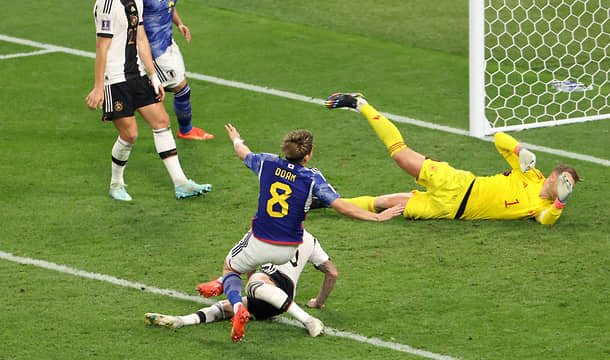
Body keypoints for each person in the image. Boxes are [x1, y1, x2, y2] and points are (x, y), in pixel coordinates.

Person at [213, 123, 403, 342]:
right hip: (288, 249)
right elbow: (342, 206)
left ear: (285, 149)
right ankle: (256, 294)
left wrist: (236, 139)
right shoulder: (312, 178)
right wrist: (377, 217)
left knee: (230, 268)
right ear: (308, 155)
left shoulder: (267, 162)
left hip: (260, 241)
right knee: (252, 267)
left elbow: (243, 153)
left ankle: (238, 307)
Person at [322, 93, 580, 225]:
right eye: (564, 182)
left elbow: (546, 221)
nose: (564, 188)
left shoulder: (543, 208)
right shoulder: (530, 172)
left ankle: (321, 202)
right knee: (400, 155)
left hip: (448, 211)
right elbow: (499, 137)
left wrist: (561, 203)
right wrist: (519, 150)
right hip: (457, 183)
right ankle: (360, 103)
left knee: (384, 203)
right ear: (553, 177)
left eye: (567, 187)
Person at [85, 0, 211, 201]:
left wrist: (153, 76)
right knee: (129, 134)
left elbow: (141, 38)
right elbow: (102, 47)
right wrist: (99, 87)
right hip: (115, 79)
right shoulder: (107, 3)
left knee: (162, 122)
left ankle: (181, 183)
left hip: (137, 74)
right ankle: (116, 184)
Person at [145, 229, 337, 336]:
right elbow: (332, 273)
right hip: (278, 299)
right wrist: (318, 302)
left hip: (272, 282)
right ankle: (180, 320)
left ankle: (308, 320)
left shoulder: (264, 228)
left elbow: (243, 264)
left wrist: (225, 280)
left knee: (253, 285)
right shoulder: (311, 240)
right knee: (225, 308)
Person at [136, 0, 214, 140]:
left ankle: (130, 93)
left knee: (176, 86)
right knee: (181, 88)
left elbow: (169, 3)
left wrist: (179, 23)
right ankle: (185, 130)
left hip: (168, 43)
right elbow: (130, 17)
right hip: (153, 50)